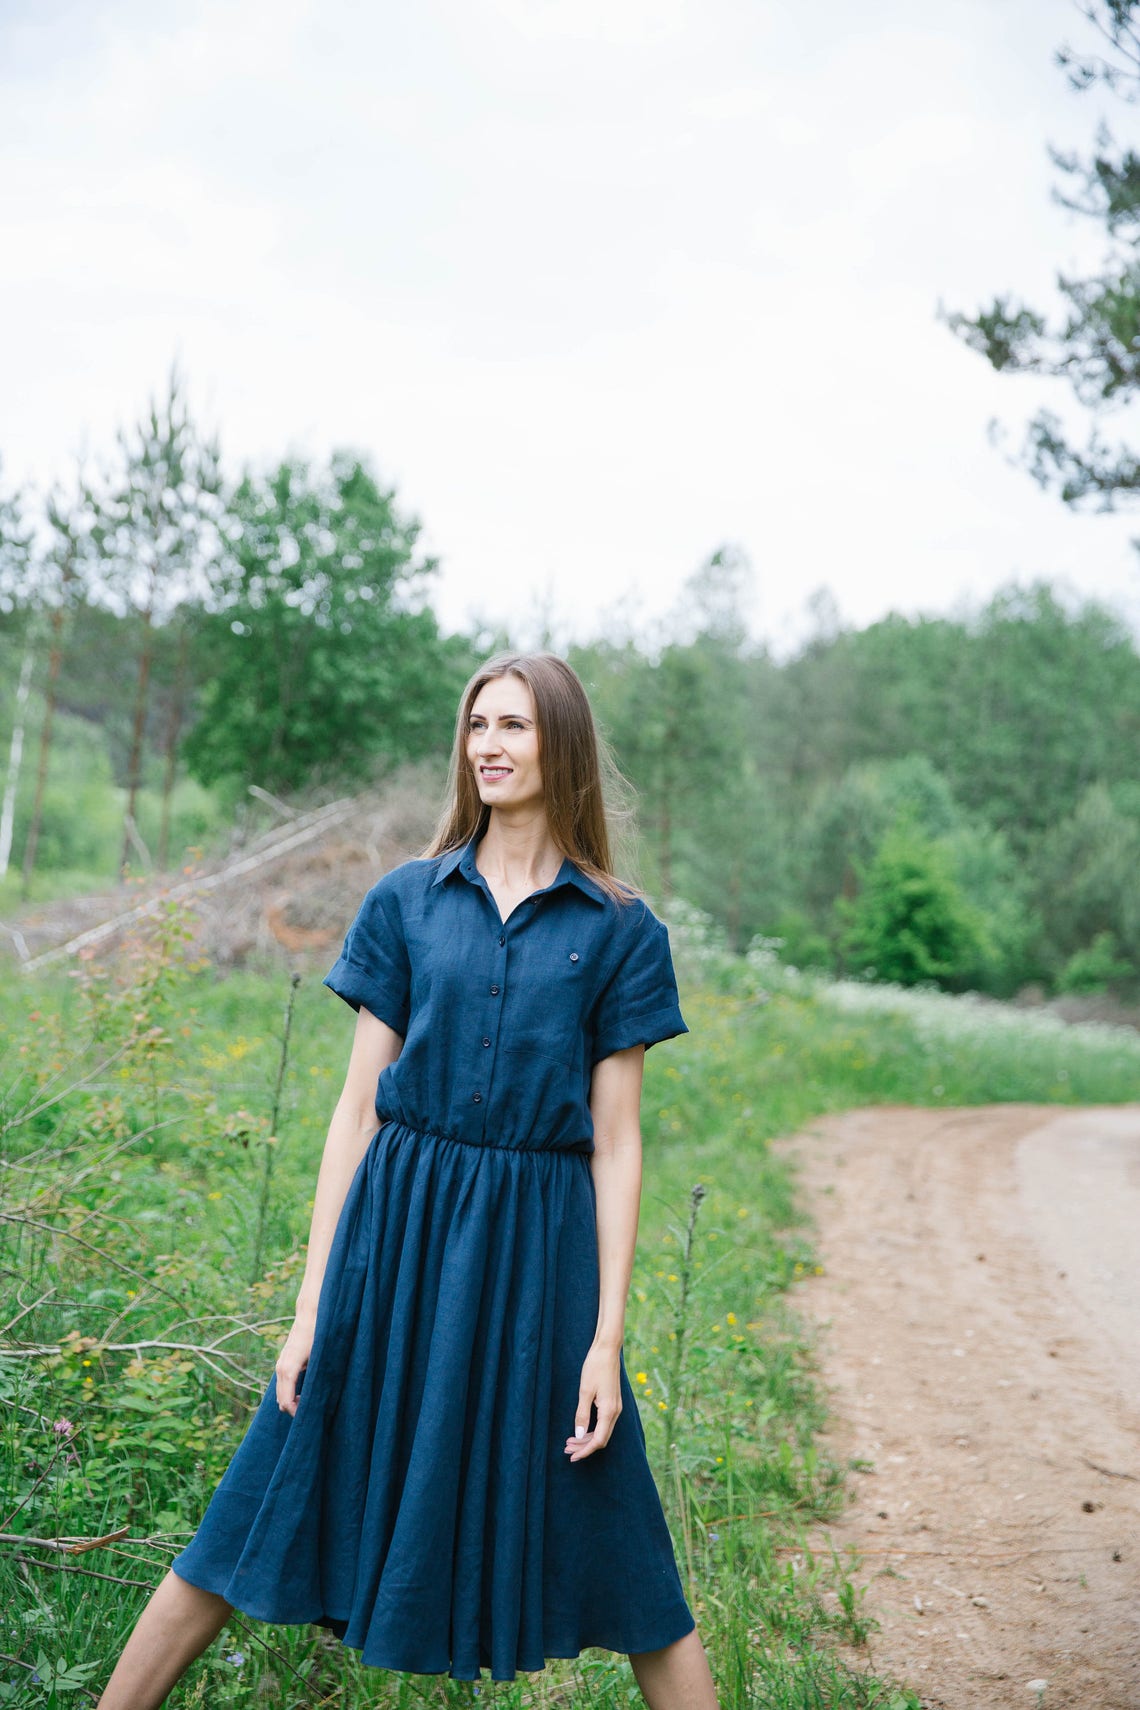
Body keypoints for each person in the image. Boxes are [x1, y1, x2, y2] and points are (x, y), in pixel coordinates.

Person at [96, 651, 719, 1710]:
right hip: (394, 1238)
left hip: (539, 1257)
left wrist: (605, 1339)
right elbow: (355, 1111)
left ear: (559, 745)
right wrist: (309, 1304)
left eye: (515, 725)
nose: (489, 745)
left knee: (618, 1528)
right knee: (256, 1498)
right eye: (478, 723)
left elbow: (618, 1143)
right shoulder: (405, 903)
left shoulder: (621, 928)